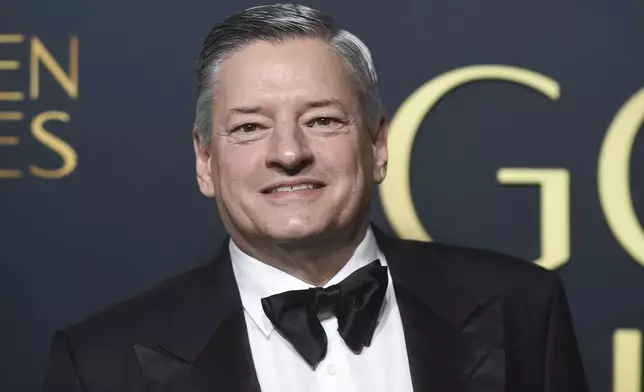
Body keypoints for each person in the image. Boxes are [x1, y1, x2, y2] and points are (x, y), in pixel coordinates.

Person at [42, 4, 588, 391]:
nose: (288, 152)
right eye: (250, 127)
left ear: (376, 145)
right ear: (205, 161)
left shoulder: (523, 309)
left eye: (322, 120)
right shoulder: (100, 365)